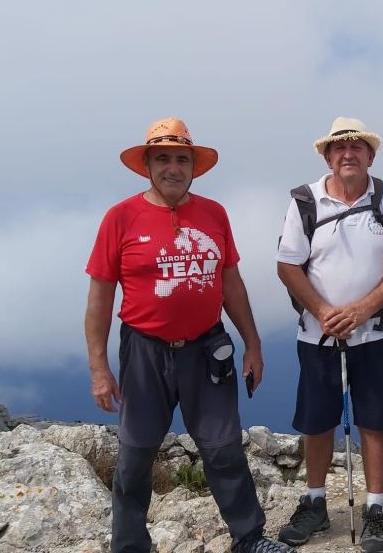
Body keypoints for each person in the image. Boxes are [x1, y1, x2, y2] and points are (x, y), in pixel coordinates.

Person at [85, 118, 294, 553]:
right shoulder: (120, 218)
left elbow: (231, 284)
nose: (173, 167)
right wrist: (99, 368)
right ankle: (129, 546)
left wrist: (253, 344)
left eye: (182, 158)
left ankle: (249, 538)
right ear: (147, 164)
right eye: (163, 158)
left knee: (223, 449)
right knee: (136, 453)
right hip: (144, 350)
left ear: (193, 166)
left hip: (206, 347)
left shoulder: (214, 214)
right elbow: (100, 298)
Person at [276, 117, 383, 553]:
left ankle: (376, 508)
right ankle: (315, 501)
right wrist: (323, 311)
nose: (347, 154)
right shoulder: (305, 201)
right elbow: (287, 264)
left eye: (356, 147)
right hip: (318, 335)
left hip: (376, 333)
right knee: (317, 421)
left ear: (371, 156)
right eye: (339, 148)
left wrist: (362, 310)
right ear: (327, 157)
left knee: (376, 421)